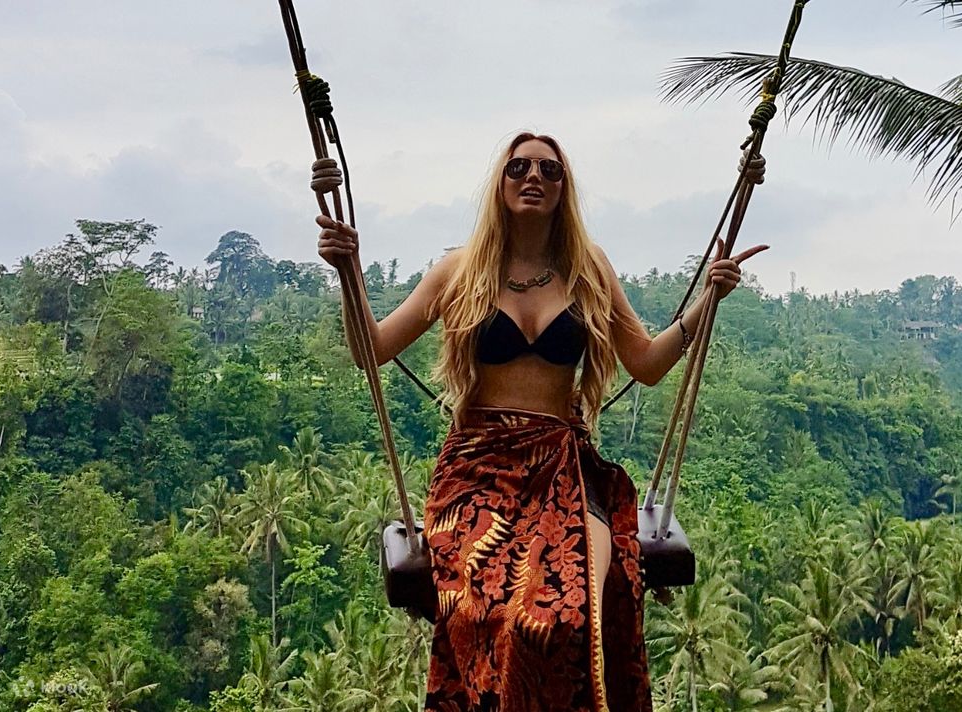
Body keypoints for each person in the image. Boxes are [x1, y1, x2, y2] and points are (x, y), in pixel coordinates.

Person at [316, 131, 766, 711]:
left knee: (571, 614)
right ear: (501, 183)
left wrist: (709, 299)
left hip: (561, 468)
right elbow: (371, 349)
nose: (533, 177)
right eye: (520, 167)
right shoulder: (459, 270)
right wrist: (347, 272)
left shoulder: (587, 270)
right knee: (489, 612)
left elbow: (648, 364)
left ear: (563, 188)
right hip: (479, 471)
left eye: (550, 170)